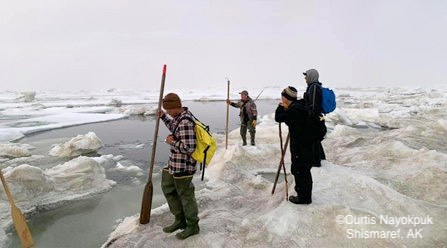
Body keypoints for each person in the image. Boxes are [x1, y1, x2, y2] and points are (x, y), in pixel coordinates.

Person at [158, 93, 200, 240]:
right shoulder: (178, 118)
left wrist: (171, 142)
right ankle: (180, 220)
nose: (168, 112)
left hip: (184, 166)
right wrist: (163, 117)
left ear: (175, 106)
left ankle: (192, 226)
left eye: (168, 110)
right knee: (168, 188)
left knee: (186, 196)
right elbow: (174, 128)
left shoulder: (186, 122)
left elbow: (189, 148)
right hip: (174, 163)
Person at [275, 86, 315, 204]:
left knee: (300, 170)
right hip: (307, 144)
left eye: (283, 96)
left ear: (286, 98)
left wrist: (281, 107)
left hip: (301, 146)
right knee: (304, 170)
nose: (281, 98)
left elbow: (278, 118)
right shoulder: (300, 105)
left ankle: (304, 198)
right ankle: (305, 194)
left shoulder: (294, 110)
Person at [302, 69, 327, 167]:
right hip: (315, 118)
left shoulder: (314, 88)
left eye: (306, 76)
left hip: (314, 119)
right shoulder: (312, 87)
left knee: (313, 140)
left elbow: (313, 105)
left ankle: (316, 162)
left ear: (311, 76)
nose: (305, 78)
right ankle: (320, 159)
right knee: (315, 141)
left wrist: (309, 117)